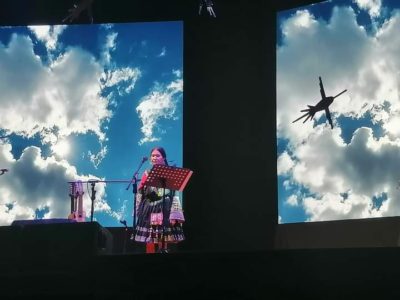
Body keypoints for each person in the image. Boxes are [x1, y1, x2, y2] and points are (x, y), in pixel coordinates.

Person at [134, 147, 185, 253]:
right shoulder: (146, 173)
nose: (154, 158)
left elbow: (175, 193)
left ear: (163, 158)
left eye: (157, 155)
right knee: (150, 239)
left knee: (163, 238)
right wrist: (137, 209)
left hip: (165, 208)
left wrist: (175, 213)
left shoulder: (169, 172)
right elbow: (140, 191)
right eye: (152, 156)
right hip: (149, 208)